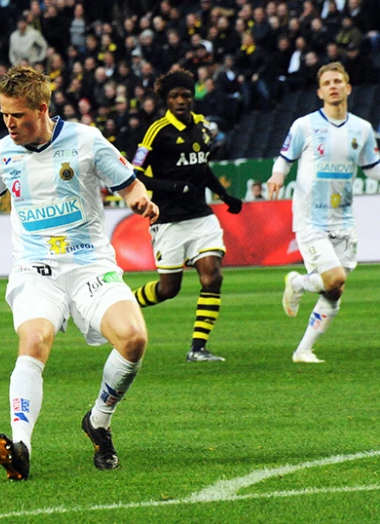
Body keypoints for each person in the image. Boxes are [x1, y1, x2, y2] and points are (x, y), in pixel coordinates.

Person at [0, 66, 159, 481]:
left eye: (19, 116)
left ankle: (98, 420)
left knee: (134, 340)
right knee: (33, 339)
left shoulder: (86, 141)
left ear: (42, 108)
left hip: (90, 265)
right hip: (36, 270)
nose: (10, 124)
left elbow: (129, 184)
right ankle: (21, 446)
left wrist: (141, 202)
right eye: (4, 115)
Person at [267, 62, 380, 363]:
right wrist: (278, 176)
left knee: (335, 289)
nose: (333, 86)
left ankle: (303, 349)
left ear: (348, 87)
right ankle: (298, 283)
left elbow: (372, 169)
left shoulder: (363, 129)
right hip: (310, 218)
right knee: (334, 277)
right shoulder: (304, 125)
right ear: (319, 92)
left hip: (344, 219)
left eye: (337, 81)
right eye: (327, 82)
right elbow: (284, 157)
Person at [130, 71, 244, 362]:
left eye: (185, 95)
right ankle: (120, 305)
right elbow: (136, 174)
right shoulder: (157, 131)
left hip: (200, 217)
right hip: (168, 220)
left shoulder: (203, 128)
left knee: (212, 276)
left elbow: (202, 168)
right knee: (169, 289)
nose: (180, 101)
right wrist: (174, 186)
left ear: (192, 97)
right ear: (166, 100)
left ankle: (198, 348)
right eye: (174, 97)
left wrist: (224, 195)